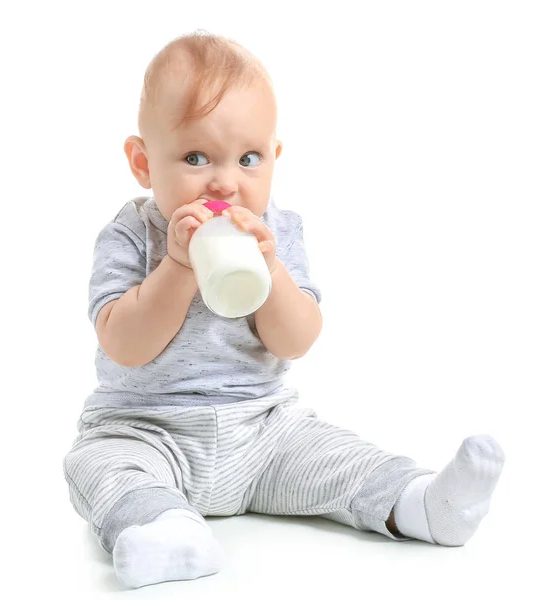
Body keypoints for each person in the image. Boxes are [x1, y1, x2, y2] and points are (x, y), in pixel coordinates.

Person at [63, 31, 505, 589]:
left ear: (274, 157)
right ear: (143, 162)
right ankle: (163, 526)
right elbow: (123, 344)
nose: (225, 181)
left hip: (263, 429)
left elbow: (295, 340)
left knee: (338, 457)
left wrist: (271, 271)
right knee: (99, 466)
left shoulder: (277, 231)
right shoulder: (132, 234)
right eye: (195, 157)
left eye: (248, 159)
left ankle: (422, 503)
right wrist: (176, 268)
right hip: (150, 430)